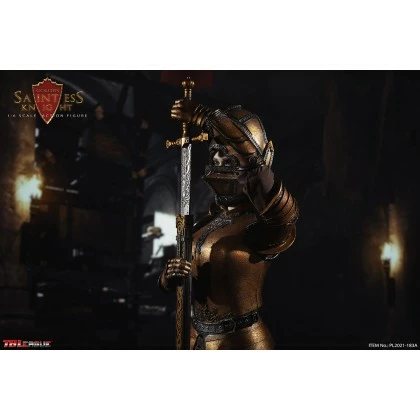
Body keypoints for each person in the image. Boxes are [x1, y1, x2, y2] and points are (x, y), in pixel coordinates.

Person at [158, 99, 299, 349]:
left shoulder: (263, 224)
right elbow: (183, 281)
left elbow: (256, 168)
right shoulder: (207, 223)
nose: (218, 156)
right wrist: (169, 276)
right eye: (216, 150)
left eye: (228, 153)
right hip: (196, 338)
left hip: (241, 342)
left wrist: (206, 117)